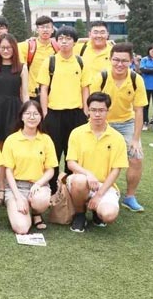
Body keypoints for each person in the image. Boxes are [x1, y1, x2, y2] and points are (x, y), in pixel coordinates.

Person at [90, 43, 148, 212]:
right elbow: (92, 106)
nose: (120, 64)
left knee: (136, 157)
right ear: (110, 59)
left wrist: (135, 139)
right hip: (103, 122)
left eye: (124, 61)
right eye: (116, 60)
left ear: (131, 61)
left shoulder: (136, 80)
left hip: (126, 123)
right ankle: (93, 192)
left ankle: (130, 197)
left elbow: (139, 110)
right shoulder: (101, 77)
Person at [37, 25, 90, 193]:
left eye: (68, 38)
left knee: (72, 154)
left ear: (75, 42)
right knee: (53, 153)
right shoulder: (50, 61)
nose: (64, 42)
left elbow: (85, 88)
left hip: (76, 114)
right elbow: (43, 89)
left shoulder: (80, 62)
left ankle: (70, 188)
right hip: (54, 114)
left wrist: (86, 111)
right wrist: (45, 113)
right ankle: (52, 188)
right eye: (61, 38)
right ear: (56, 41)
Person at [66, 92, 129, 232]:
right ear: (88, 110)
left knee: (109, 215)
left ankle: (96, 211)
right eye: (93, 110)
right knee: (80, 181)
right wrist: (88, 174)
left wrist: (99, 195)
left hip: (104, 185)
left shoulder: (117, 138)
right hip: (81, 181)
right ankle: (80, 214)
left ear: (108, 111)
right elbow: (71, 163)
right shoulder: (77, 133)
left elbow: (116, 170)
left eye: (101, 110)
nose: (97, 114)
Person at [0, 32, 29, 205]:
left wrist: (27, 114)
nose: (5, 50)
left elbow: (25, 94)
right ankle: (1, 188)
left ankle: (14, 187)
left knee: (13, 150)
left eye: (9, 47)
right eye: (2, 47)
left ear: (14, 49)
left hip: (15, 110)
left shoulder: (22, 68)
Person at [2, 101, 57, 233]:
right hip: (16, 187)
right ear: (22, 116)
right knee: (21, 228)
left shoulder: (46, 139)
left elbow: (50, 169)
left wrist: (38, 183)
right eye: (28, 113)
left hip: (38, 186)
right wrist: (18, 197)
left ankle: (36, 212)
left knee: (40, 201)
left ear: (41, 117)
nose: (32, 117)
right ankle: (24, 210)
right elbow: (8, 171)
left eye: (36, 114)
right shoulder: (11, 140)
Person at [18, 15, 59, 98]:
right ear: (37, 30)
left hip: (53, 94)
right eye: (42, 27)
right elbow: (9, 45)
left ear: (52, 30)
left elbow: (75, 41)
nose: (45, 30)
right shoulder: (27, 46)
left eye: (48, 27)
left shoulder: (58, 46)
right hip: (33, 93)